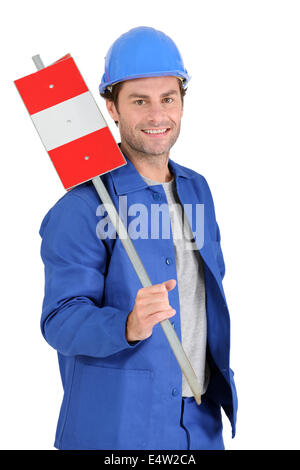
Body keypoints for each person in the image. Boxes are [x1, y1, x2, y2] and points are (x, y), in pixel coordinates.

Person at [39, 26, 237, 450]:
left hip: (199, 425)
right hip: (117, 430)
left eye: (168, 98)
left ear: (182, 101)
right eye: (139, 101)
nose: (156, 115)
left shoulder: (198, 191)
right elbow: (59, 320)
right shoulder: (84, 205)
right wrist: (127, 324)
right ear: (111, 106)